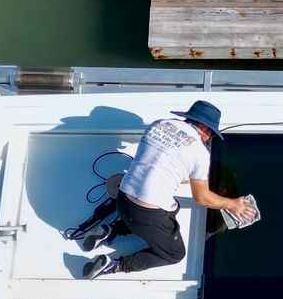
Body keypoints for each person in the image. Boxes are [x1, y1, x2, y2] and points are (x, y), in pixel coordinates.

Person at [71, 101, 246, 278]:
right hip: (146, 215)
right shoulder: (200, 153)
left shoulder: (159, 124)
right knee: (175, 254)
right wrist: (231, 204)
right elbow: (202, 197)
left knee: (172, 208)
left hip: (122, 199)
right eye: (211, 134)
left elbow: (162, 158)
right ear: (204, 128)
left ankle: (112, 230)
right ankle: (113, 265)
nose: (209, 139)